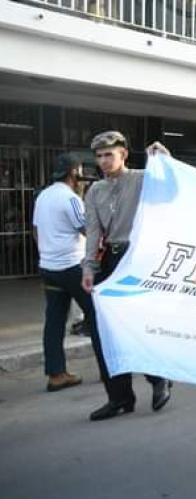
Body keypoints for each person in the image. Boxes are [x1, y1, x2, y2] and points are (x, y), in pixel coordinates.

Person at [81, 131, 173, 421]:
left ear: (123, 154)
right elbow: (93, 231)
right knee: (102, 330)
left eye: (109, 154)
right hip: (110, 260)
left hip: (138, 258)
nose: (104, 161)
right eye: (99, 156)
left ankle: (158, 378)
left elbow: (172, 190)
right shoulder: (95, 190)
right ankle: (119, 398)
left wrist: (165, 159)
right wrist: (88, 268)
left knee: (136, 325)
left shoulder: (142, 179)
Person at [32, 153, 91, 392]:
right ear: (74, 173)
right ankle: (111, 370)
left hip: (49, 267)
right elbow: (88, 229)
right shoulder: (70, 198)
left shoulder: (43, 196)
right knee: (96, 316)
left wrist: (48, 253)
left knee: (54, 321)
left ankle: (56, 374)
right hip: (72, 267)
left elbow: (36, 231)